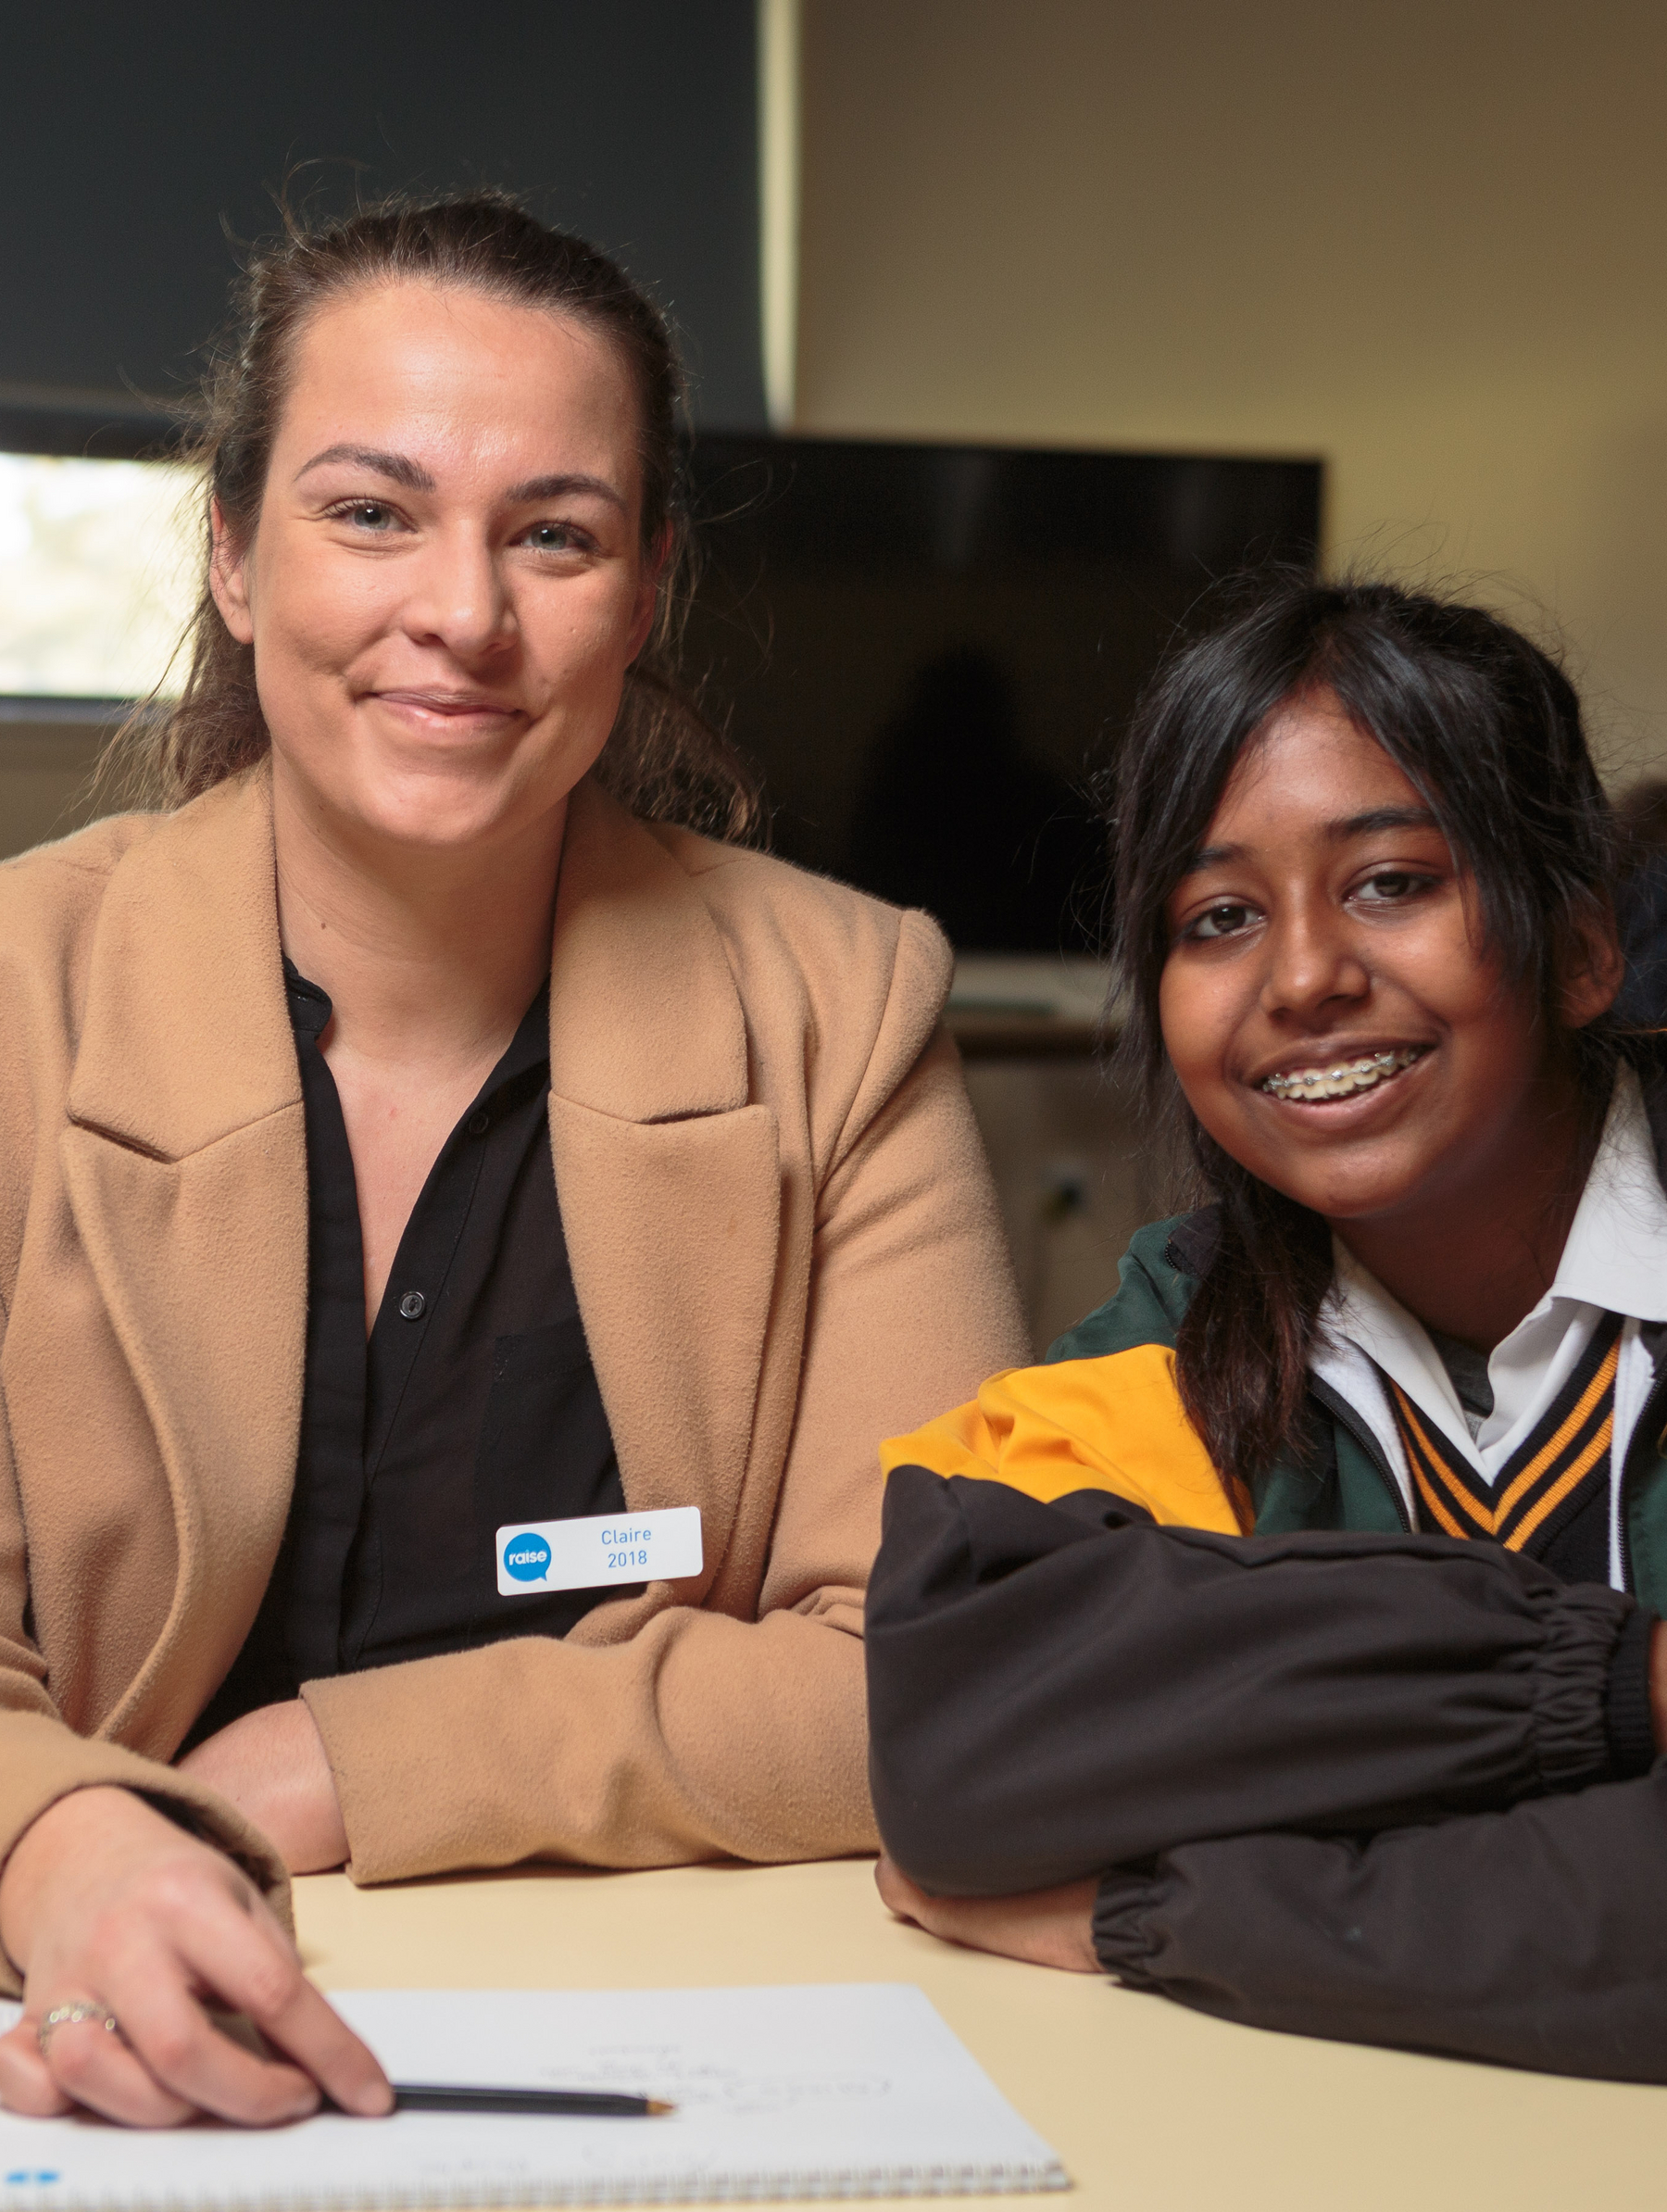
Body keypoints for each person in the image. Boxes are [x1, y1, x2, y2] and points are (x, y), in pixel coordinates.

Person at [0, 192, 1025, 2130]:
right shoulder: (12, 995)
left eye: (551, 535)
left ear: (642, 597)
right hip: (93, 2054)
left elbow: (931, 1664)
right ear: (230, 554)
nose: (462, 615)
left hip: (694, 2045)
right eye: (369, 511)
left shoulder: (841, 1002)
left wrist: (328, 1766)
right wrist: (69, 1845)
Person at [864, 575, 1667, 2083]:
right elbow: (959, 1744)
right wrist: (1634, 1691)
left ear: (1579, 949)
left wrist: (1157, 1908)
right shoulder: (1177, 1327)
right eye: (1219, 918)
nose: (1302, 980)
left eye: (1392, 884)